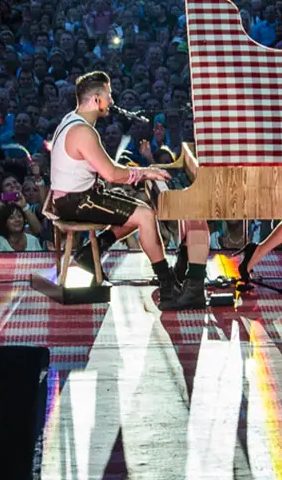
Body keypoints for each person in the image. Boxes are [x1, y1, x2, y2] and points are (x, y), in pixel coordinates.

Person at [48, 72, 208, 311]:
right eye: (108, 96)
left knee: (137, 211)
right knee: (145, 216)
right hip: (75, 202)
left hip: (72, 196)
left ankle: (90, 255)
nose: (111, 101)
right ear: (96, 100)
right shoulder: (83, 132)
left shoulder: (71, 120)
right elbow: (111, 174)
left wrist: (143, 171)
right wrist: (146, 172)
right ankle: (167, 286)